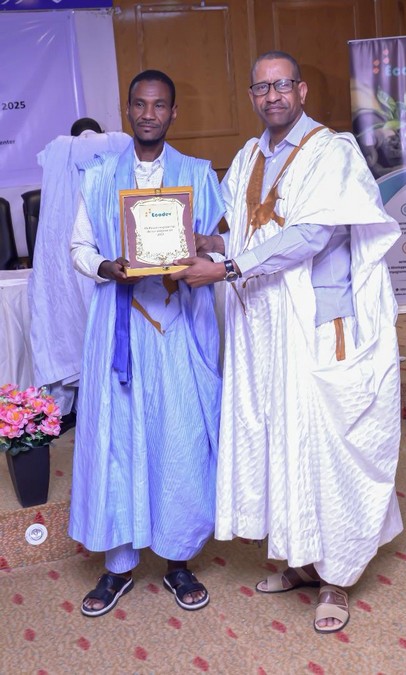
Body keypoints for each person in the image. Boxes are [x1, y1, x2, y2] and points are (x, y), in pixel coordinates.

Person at [171, 51, 403, 633]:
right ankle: (302, 562)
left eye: (282, 85)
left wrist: (226, 268)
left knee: (327, 447)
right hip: (266, 327)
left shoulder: (332, 151)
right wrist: (201, 243)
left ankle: (337, 578)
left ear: (301, 91)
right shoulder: (249, 155)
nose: (272, 96)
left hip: (320, 326)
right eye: (261, 88)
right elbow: (240, 231)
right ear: (252, 96)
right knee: (282, 442)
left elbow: (310, 235)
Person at [68, 70, 225, 616]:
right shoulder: (98, 176)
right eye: (140, 104)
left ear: (173, 112)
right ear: (127, 110)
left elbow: (228, 243)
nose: (149, 114)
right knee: (118, 441)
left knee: (179, 436)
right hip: (119, 327)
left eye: (160, 105)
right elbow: (78, 247)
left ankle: (178, 560)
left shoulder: (199, 174)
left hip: (180, 326)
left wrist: (204, 248)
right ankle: (117, 566)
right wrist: (106, 267)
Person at [29, 120, 130, 430]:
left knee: (65, 324)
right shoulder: (119, 146)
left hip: (64, 258)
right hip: (109, 255)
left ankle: (70, 405)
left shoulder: (57, 153)